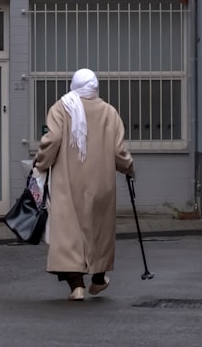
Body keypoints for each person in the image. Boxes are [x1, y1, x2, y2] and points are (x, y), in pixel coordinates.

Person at [33, 68, 135, 301]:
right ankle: (98, 279)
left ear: (74, 85)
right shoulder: (109, 112)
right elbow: (119, 152)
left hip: (68, 183)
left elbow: (53, 140)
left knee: (69, 233)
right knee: (98, 230)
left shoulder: (61, 108)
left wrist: (41, 163)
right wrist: (129, 167)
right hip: (101, 184)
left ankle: (76, 286)